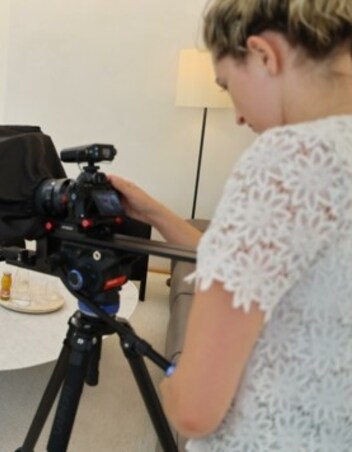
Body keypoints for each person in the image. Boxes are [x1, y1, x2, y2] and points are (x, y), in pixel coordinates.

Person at [110, 0, 352, 449]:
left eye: (226, 85)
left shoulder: (287, 158)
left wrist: (172, 385)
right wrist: (158, 213)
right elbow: (276, 274)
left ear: (263, 54)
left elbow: (193, 411)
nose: (238, 115)